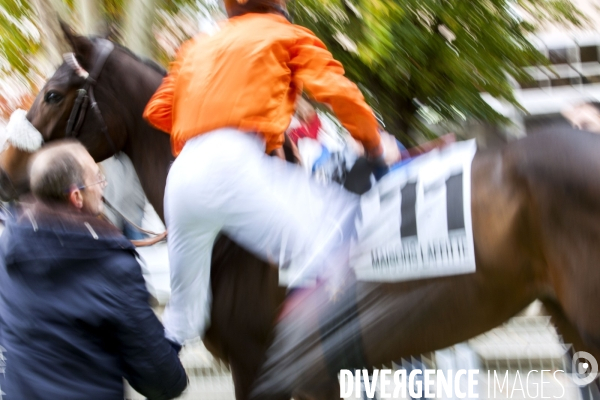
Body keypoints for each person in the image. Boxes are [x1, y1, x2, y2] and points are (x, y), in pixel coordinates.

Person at [143, 0, 386, 345]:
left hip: (181, 177)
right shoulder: (286, 34)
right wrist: (373, 146)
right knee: (340, 236)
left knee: (183, 316)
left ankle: (152, 374)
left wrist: (209, 107)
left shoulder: (195, 48)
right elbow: (340, 94)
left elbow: (158, 110)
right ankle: (293, 352)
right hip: (234, 165)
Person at [0, 141, 187, 400]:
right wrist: (178, 326)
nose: (104, 185)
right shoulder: (112, 267)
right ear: (76, 196)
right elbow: (163, 381)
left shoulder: (7, 246)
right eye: (98, 178)